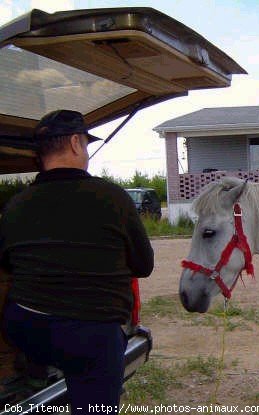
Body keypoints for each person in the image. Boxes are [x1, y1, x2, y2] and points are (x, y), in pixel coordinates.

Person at [0, 110, 154, 413]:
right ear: (74, 142)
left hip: (26, 328)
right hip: (90, 334)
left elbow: (6, 263)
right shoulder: (113, 198)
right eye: (84, 143)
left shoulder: (15, 205)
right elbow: (143, 265)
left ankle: (33, 375)